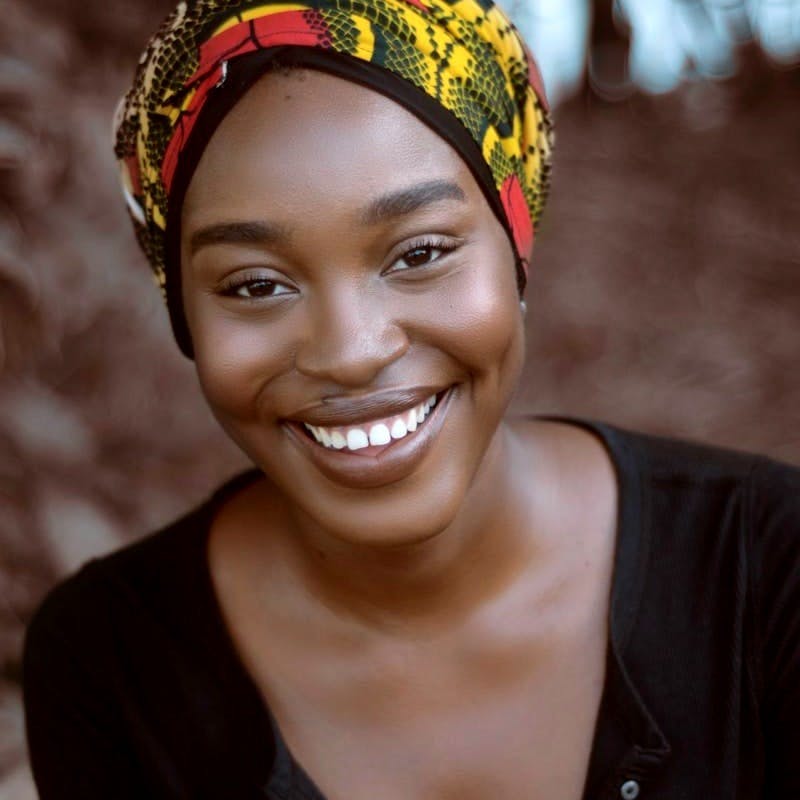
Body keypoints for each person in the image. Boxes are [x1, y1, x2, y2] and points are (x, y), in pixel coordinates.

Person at [22, 0, 800, 798]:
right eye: (256, 284)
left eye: (419, 252)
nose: (352, 353)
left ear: (515, 250)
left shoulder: (769, 572)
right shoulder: (108, 666)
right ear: (184, 312)